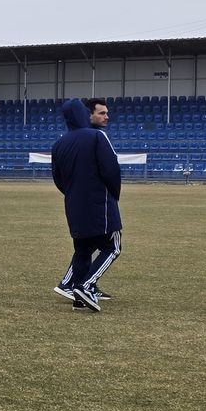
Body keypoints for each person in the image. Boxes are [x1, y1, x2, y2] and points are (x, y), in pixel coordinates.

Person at [51, 98, 122, 312]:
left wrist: (73, 194)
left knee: (82, 250)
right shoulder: (97, 136)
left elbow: (58, 178)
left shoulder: (59, 144)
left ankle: (79, 298)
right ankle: (86, 285)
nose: (106, 117)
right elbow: (111, 169)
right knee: (112, 247)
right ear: (85, 114)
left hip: (73, 205)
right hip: (100, 203)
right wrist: (114, 195)